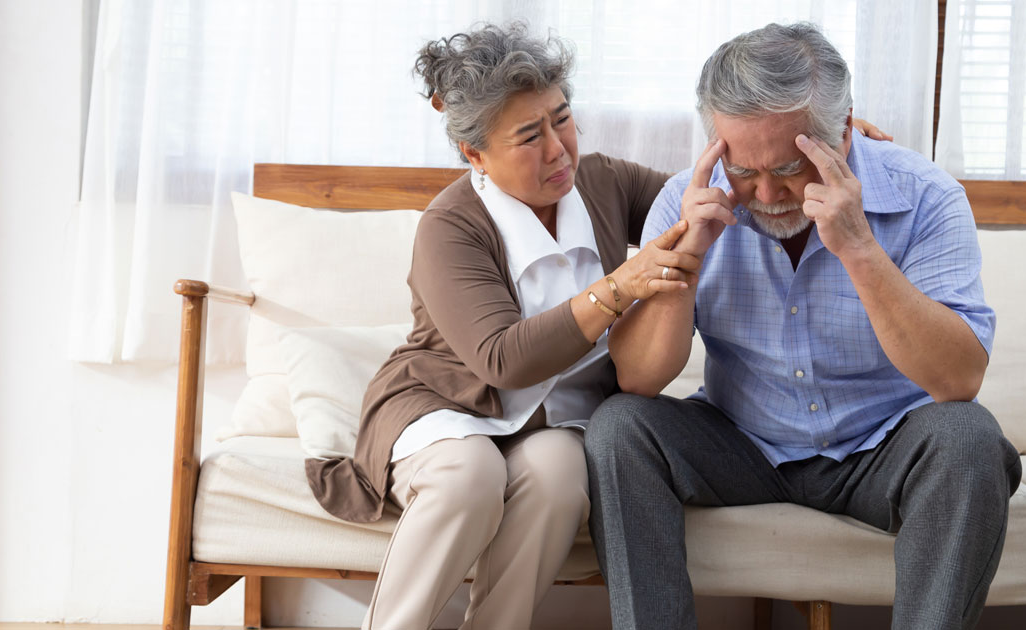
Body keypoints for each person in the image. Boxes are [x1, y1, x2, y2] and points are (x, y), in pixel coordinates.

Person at [304, 22, 890, 630]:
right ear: (475, 154)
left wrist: (824, 143)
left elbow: (718, 190)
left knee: (560, 477)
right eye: (529, 136)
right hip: (450, 405)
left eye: (561, 119)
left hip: (554, 419)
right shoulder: (450, 226)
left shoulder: (603, 181)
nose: (558, 149)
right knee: (468, 477)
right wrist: (623, 285)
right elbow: (504, 360)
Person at [585, 22, 1022, 630]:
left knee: (970, 438)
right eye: (743, 171)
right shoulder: (688, 202)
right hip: (742, 442)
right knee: (619, 428)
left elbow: (958, 379)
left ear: (842, 133)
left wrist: (861, 251)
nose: (766, 193)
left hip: (883, 447)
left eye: (790, 167)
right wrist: (687, 260)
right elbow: (637, 379)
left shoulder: (927, 198)